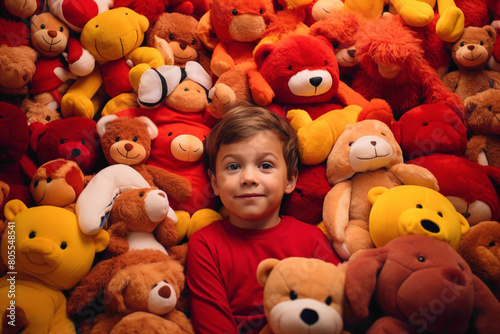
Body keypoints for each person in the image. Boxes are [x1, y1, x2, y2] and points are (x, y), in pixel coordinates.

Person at [186, 102, 341, 334]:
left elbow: (338, 305)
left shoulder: (311, 239)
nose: (249, 178)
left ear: (290, 179)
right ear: (215, 182)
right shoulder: (206, 243)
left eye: (265, 165)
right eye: (233, 166)